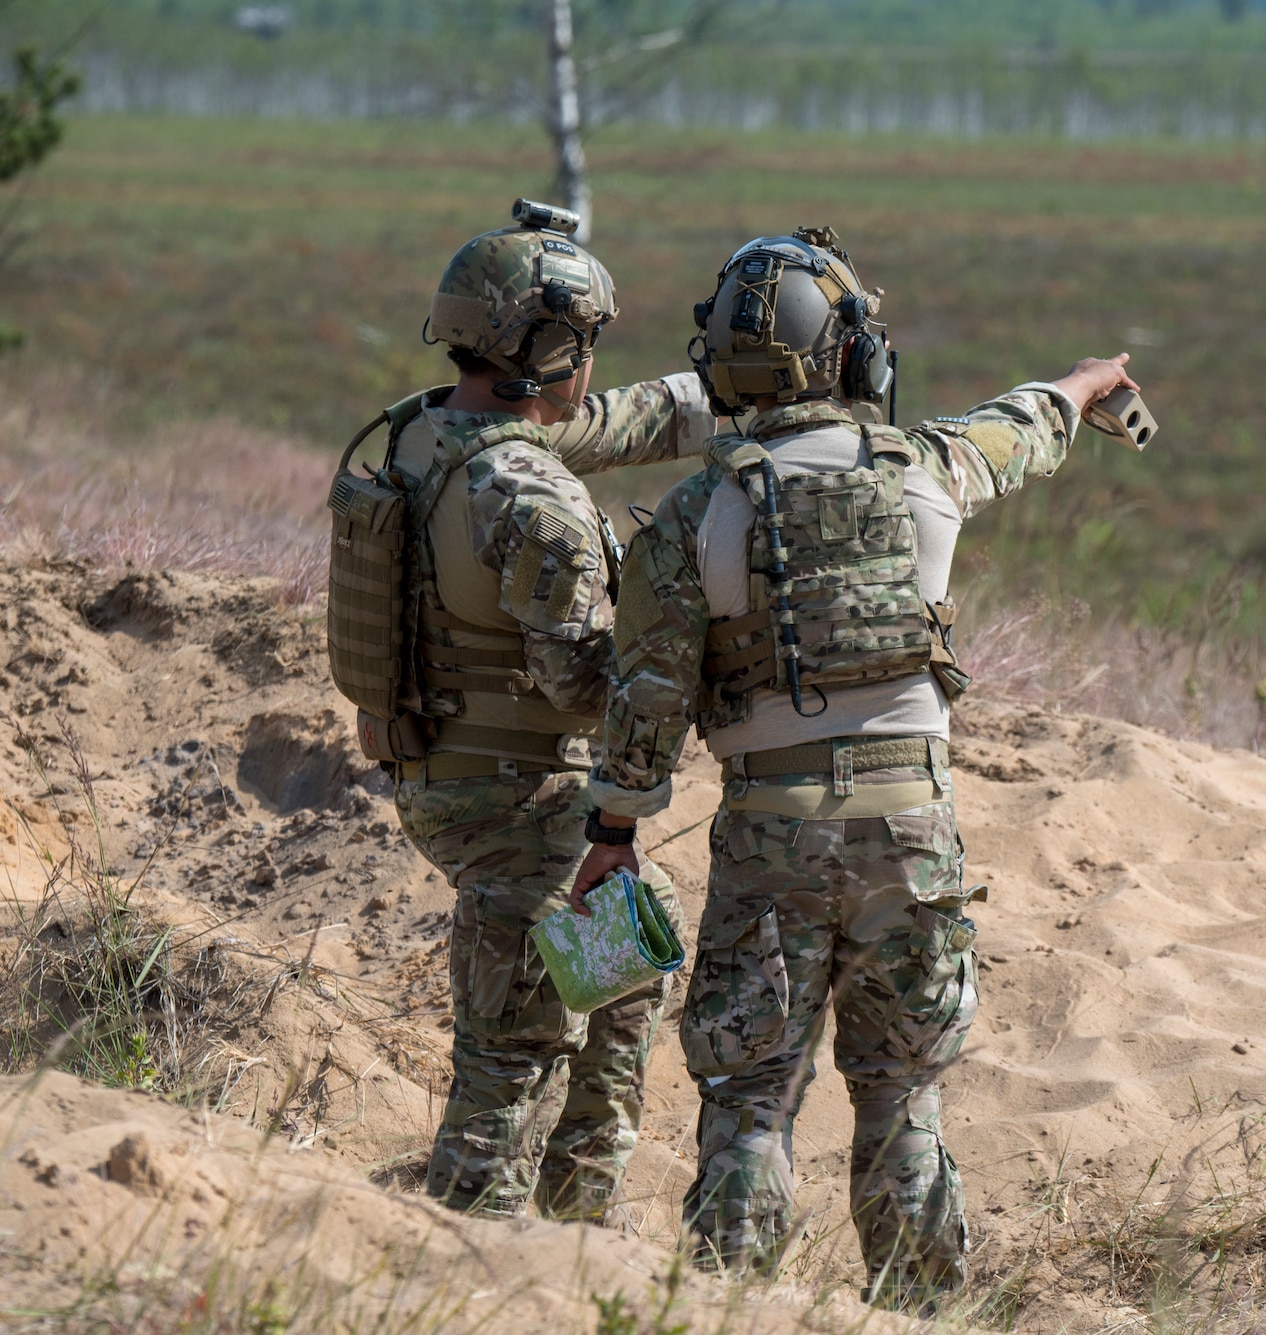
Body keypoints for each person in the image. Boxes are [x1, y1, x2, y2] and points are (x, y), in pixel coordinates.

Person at [570, 226, 1141, 1306]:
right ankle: (920, 1313)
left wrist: (613, 835)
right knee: (900, 1102)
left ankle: (729, 1309)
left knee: (748, 1101)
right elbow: (1017, 429)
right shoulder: (926, 469)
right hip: (908, 835)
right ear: (850, 357)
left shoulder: (697, 514)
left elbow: (645, 699)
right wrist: (1082, 385)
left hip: (767, 836)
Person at [338, 200, 714, 1221]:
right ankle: (492, 1238)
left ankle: (572, 1212)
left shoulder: (425, 431)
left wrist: (720, 393)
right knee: (513, 1048)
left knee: (628, 960)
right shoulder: (534, 503)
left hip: (436, 770)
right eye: (582, 341)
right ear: (549, 346)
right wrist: (680, 640)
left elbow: (593, 423)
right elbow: (585, 687)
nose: (589, 362)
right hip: (516, 801)